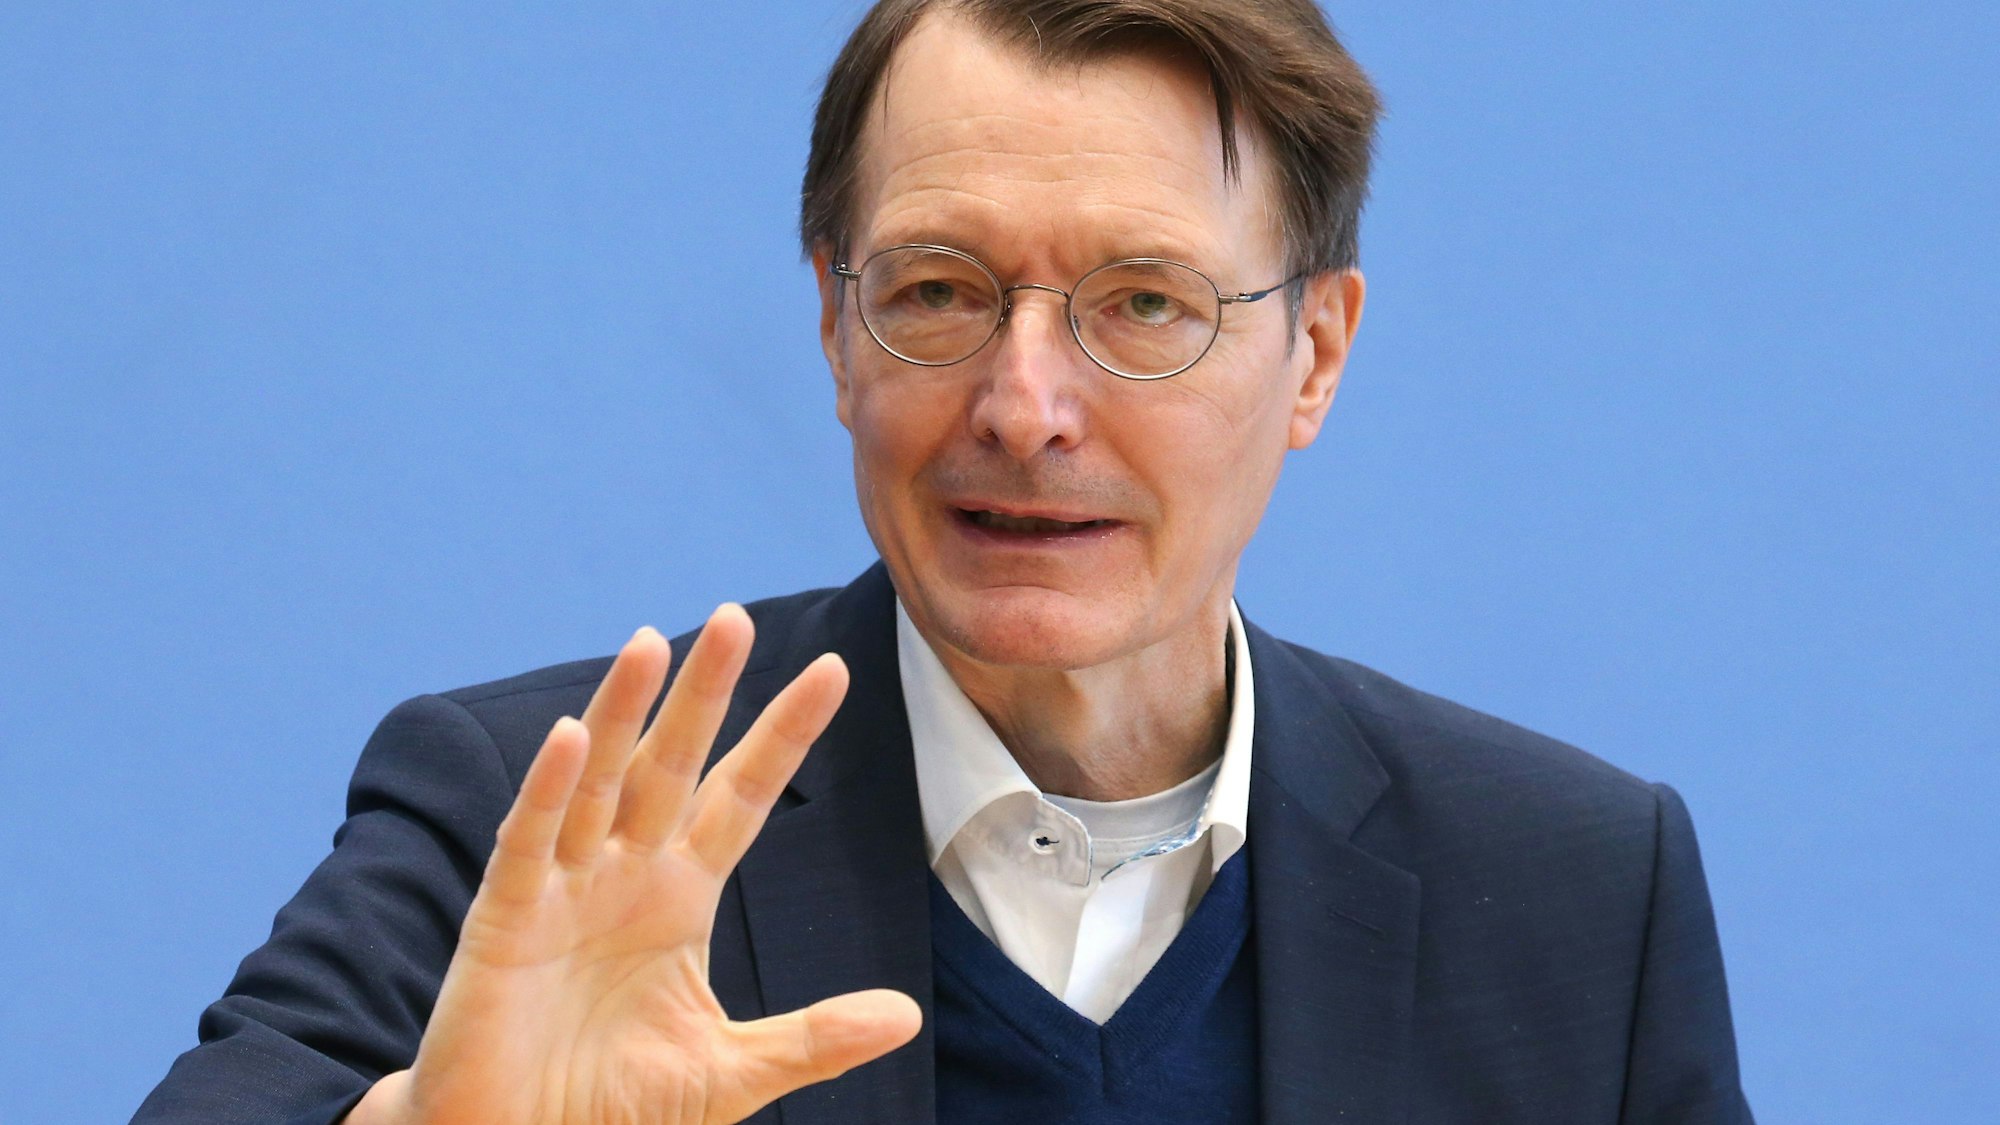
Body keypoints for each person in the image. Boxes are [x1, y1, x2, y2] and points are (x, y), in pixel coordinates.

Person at [135, 1, 1753, 1122]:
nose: (1025, 407)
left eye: (1143, 303)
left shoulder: (1577, 888)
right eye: (937, 291)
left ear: (1316, 353)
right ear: (837, 327)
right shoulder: (547, 815)